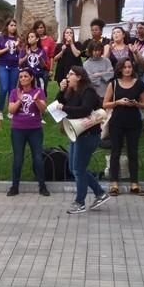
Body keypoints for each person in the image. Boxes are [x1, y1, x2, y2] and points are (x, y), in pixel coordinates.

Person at [57, 66, 110, 214]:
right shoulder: (71, 91)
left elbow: (85, 110)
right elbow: (59, 104)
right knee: (74, 168)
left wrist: (65, 108)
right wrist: (61, 91)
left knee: (78, 169)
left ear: (79, 77)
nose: (68, 76)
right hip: (77, 133)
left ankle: (80, 202)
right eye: (68, 73)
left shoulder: (88, 91)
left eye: (71, 74)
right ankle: (100, 193)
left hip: (88, 135)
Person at [103, 58, 144, 195]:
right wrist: (118, 102)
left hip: (134, 122)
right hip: (117, 122)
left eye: (129, 67)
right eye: (125, 67)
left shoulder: (139, 84)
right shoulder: (114, 84)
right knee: (115, 152)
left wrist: (136, 104)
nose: (127, 69)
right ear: (120, 69)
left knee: (132, 152)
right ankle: (114, 183)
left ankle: (134, 182)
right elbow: (105, 104)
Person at [7, 69, 50, 197]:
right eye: (21, 77)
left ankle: (42, 186)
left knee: (37, 157)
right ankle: (14, 186)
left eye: (26, 76)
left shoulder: (39, 91)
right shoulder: (15, 92)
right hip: (18, 129)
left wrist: (36, 100)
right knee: (18, 158)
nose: (23, 78)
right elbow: (11, 110)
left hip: (35, 129)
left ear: (31, 78)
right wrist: (19, 100)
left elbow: (44, 110)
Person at [0, 18, 20, 119]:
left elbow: (20, 53)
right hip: (2, 66)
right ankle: (0, 111)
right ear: (7, 26)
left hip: (14, 67)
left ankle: (10, 111)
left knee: (12, 89)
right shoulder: (1, 38)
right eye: (11, 25)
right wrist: (7, 48)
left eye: (14, 25)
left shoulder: (17, 38)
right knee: (4, 88)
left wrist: (17, 46)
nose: (13, 27)